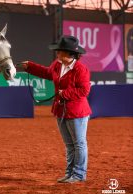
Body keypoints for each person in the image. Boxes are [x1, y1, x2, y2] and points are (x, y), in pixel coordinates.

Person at [21, 35, 91, 183]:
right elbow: (47, 73)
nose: (57, 53)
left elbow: (84, 90)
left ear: (68, 53)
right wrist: (31, 67)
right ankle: (70, 173)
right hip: (61, 110)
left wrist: (65, 93)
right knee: (69, 144)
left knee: (79, 143)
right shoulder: (57, 64)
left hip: (76, 111)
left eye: (59, 51)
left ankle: (79, 175)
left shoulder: (80, 69)